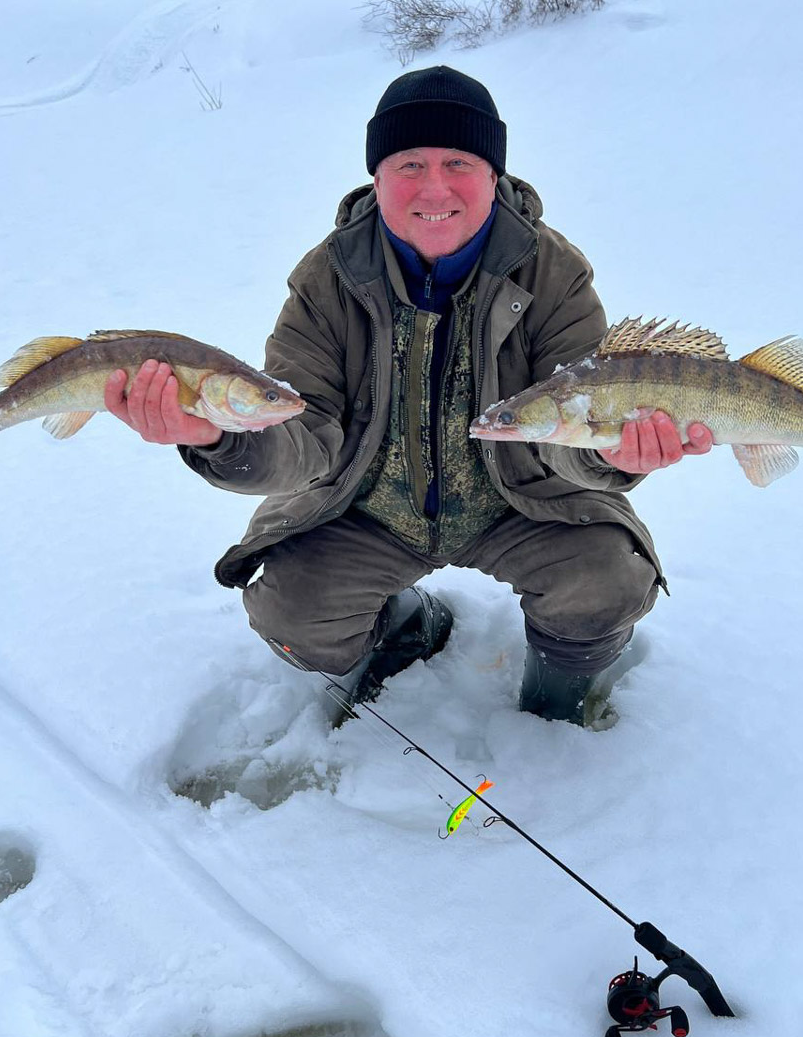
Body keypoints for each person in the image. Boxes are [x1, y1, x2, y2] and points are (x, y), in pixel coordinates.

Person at [105, 66, 712, 725]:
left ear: (493, 175)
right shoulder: (326, 279)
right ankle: (404, 630)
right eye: (408, 164)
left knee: (608, 584)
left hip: (524, 504)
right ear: (377, 176)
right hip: (367, 508)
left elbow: (576, 432)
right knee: (290, 617)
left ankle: (557, 697)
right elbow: (302, 441)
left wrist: (618, 458)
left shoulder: (553, 274)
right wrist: (217, 437)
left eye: (459, 162)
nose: (435, 187)